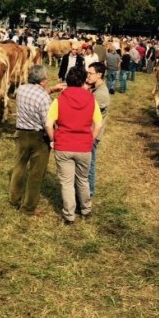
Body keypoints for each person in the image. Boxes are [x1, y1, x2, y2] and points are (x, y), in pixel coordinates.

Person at [46, 67, 102, 225]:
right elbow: (98, 124)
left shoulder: (59, 100)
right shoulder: (92, 99)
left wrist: (53, 139)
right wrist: (90, 139)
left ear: (67, 81)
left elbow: (48, 124)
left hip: (63, 145)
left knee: (66, 183)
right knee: (83, 179)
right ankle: (86, 209)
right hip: (84, 146)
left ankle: (69, 215)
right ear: (84, 80)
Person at [9, 65, 62, 216]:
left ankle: (14, 199)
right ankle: (28, 207)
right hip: (38, 137)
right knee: (36, 174)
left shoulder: (21, 89)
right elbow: (48, 123)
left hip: (21, 134)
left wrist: (51, 89)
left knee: (19, 167)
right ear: (43, 81)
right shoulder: (44, 98)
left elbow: (35, 94)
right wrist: (53, 139)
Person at [85, 62, 109, 198]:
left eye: (90, 73)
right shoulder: (95, 88)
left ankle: (89, 192)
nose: (87, 75)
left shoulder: (101, 94)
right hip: (89, 132)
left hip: (93, 134)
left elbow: (87, 111)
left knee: (89, 165)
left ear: (99, 75)